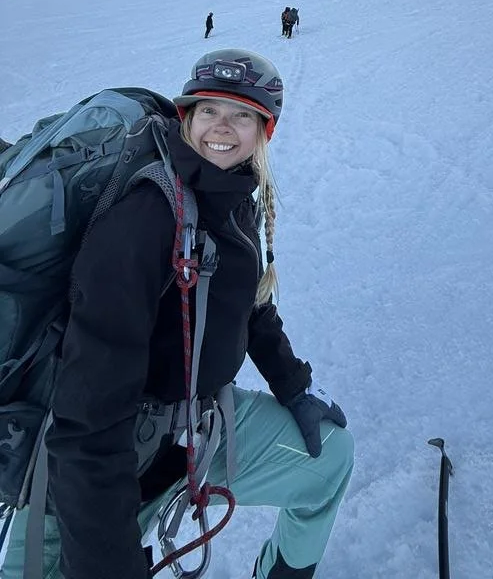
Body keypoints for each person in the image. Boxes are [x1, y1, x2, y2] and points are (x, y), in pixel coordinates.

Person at [2, 49, 354, 579]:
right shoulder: (143, 222)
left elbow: (248, 304)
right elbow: (87, 415)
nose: (222, 127)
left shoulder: (230, 195)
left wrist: (293, 383)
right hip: (91, 475)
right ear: (186, 115)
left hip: (193, 432)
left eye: (242, 114)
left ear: (265, 130)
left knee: (328, 460)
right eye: (209, 110)